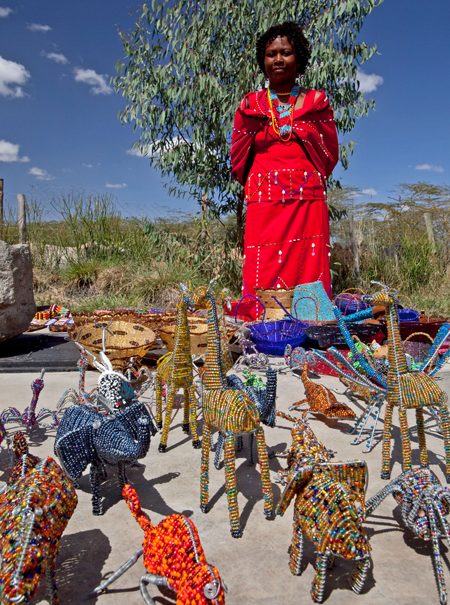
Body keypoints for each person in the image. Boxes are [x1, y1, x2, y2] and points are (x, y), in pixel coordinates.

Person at [231, 21, 339, 315]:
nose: (278, 59)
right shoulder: (250, 105)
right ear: (262, 61)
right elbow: (239, 155)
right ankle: (263, 320)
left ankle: (310, 320)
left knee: (308, 260)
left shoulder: (317, 102)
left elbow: (328, 153)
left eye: (286, 52)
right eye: (271, 54)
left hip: (307, 198)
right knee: (262, 262)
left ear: (299, 58)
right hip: (264, 199)